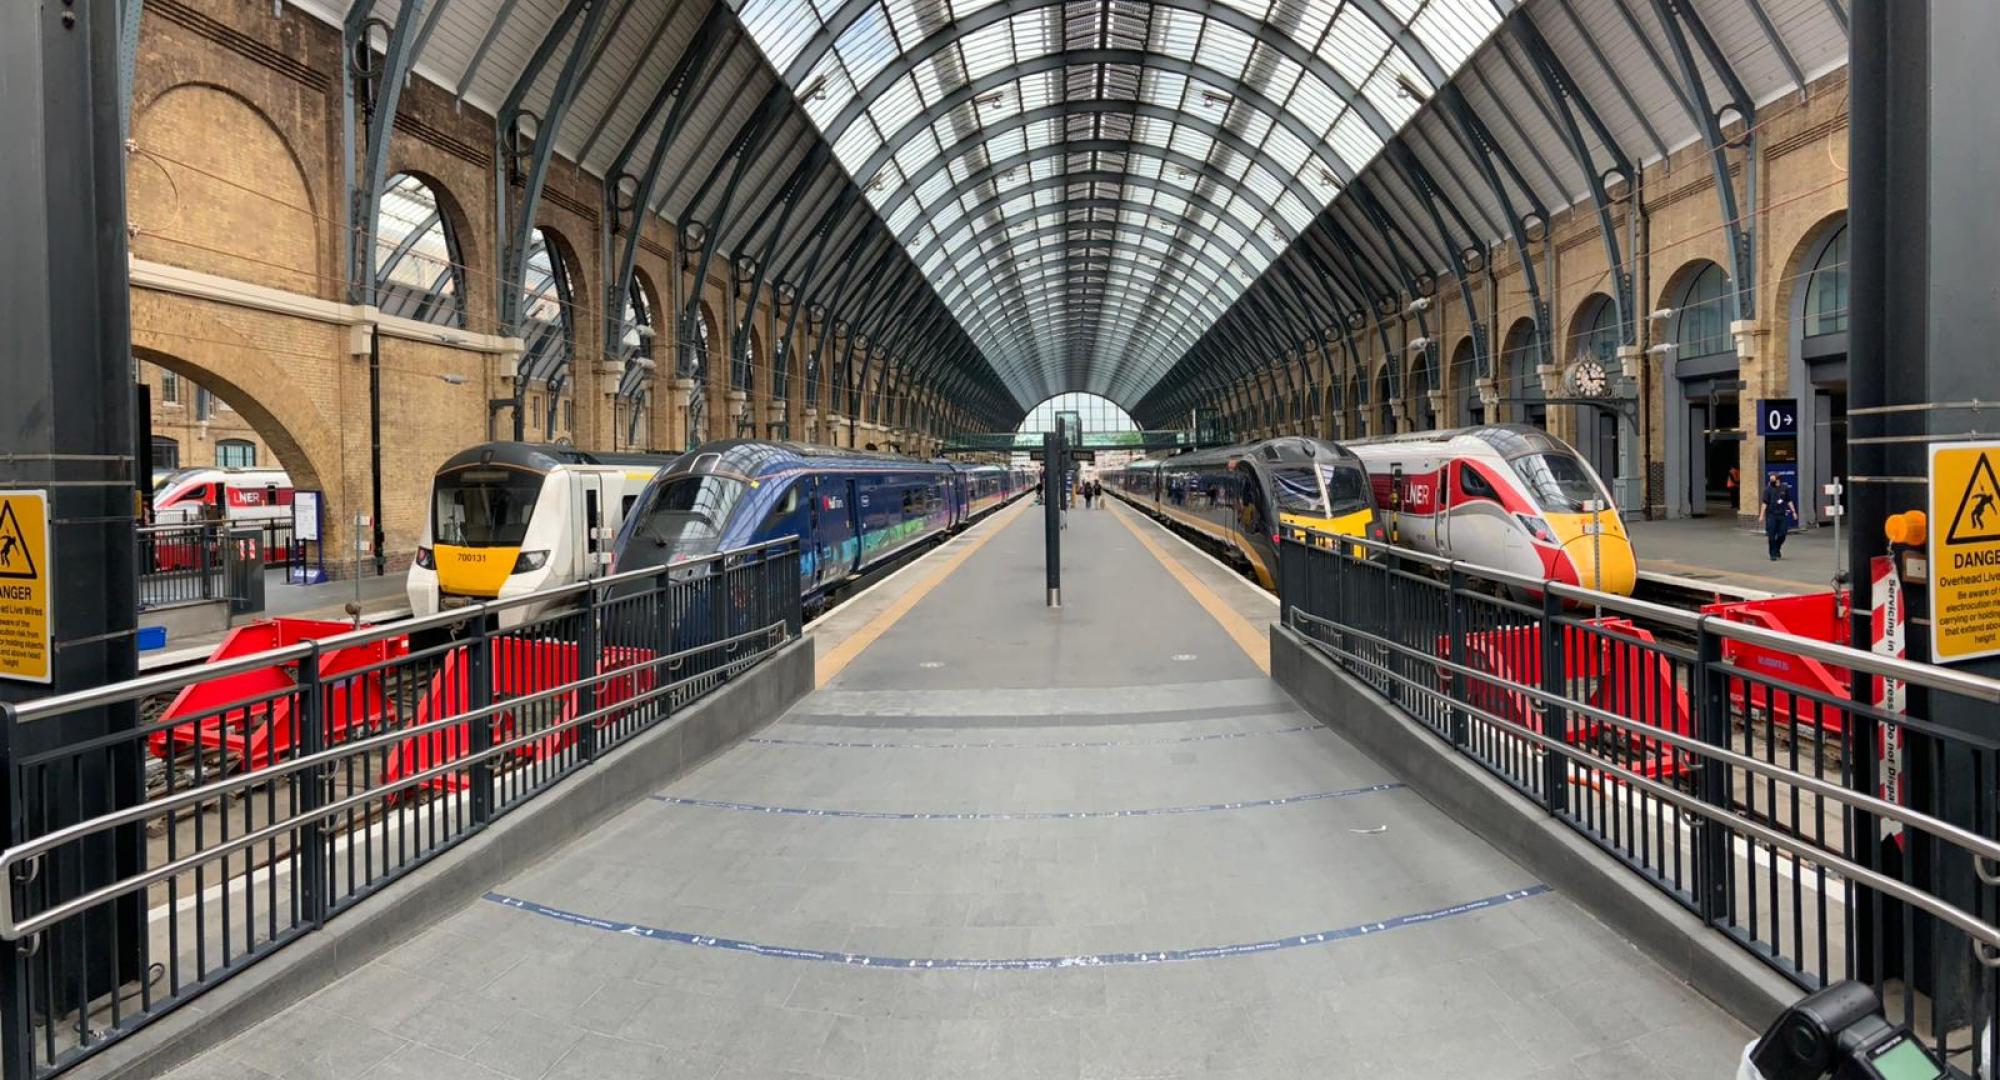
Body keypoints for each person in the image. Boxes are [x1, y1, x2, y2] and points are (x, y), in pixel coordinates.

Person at [1758, 473, 1796, 561]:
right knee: (1771, 535)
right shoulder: (1768, 489)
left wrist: (1794, 512)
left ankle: (1777, 548)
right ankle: (1773, 554)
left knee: (1782, 534)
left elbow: (1789, 500)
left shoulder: (1784, 488)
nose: (1771, 481)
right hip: (1771, 515)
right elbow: (1764, 503)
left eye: (1772, 480)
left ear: (1778, 480)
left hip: (1782, 515)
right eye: (1770, 479)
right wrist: (1761, 515)